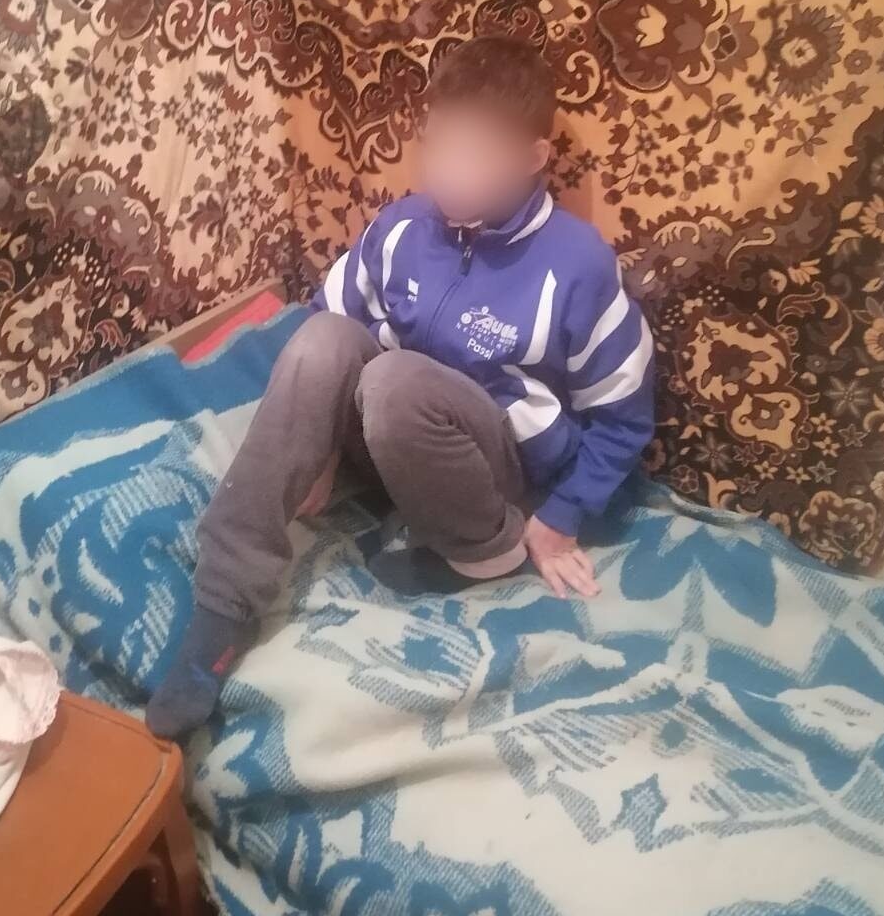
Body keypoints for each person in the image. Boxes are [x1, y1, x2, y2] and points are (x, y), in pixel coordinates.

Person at [146, 36, 654, 738]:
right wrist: (322, 449)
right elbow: (332, 319)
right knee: (321, 339)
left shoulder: (578, 264)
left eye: (475, 154)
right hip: (383, 440)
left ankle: (482, 555)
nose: (447, 172)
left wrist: (561, 516)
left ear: (533, 157)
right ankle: (224, 606)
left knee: (393, 379)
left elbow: (624, 415)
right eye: (437, 145)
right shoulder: (404, 226)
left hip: (489, 469)